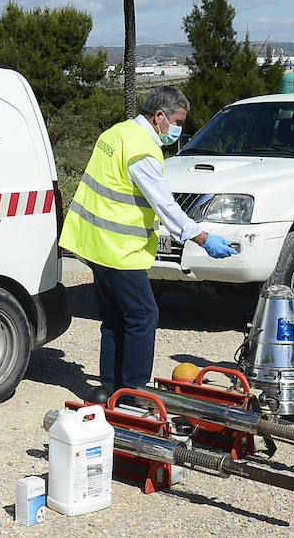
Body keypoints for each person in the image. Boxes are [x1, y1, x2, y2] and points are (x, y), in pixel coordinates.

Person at [60, 85, 238, 391]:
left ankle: (112, 388)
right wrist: (202, 237)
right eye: (178, 122)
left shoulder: (116, 133)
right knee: (143, 315)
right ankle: (134, 391)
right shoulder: (142, 149)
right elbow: (164, 204)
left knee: (116, 319)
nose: (178, 130)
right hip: (120, 250)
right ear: (159, 116)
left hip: (93, 243)